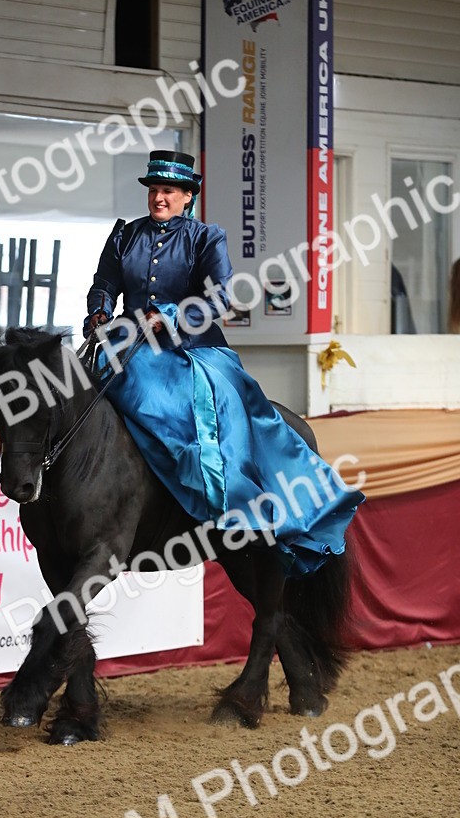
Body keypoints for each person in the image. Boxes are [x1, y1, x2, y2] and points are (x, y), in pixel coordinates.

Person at [83, 150, 363, 577]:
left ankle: (215, 493)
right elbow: (105, 282)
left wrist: (172, 317)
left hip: (191, 348)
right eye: (155, 190)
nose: (159, 198)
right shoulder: (125, 235)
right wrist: (100, 311)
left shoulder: (205, 237)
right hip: (127, 339)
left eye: (169, 191)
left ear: (187, 196)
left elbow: (220, 298)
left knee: (173, 396)